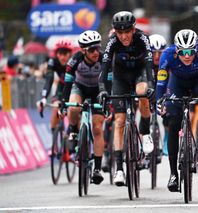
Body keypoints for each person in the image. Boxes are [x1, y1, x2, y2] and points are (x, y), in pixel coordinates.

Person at [156, 29, 198, 192]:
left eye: (191, 51)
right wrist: (160, 101)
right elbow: (161, 83)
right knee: (173, 121)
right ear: (176, 50)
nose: (187, 55)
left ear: (196, 49)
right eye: (183, 52)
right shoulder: (167, 55)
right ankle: (173, 174)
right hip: (176, 85)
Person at [98, 11, 154, 186]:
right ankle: (120, 169)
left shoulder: (142, 38)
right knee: (120, 120)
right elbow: (105, 69)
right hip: (120, 77)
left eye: (127, 32)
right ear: (115, 31)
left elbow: (149, 62)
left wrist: (151, 84)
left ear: (133, 29)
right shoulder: (113, 42)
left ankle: (145, 134)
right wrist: (102, 90)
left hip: (139, 74)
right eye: (119, 32)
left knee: (141, 92)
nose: (123, 36)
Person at [61, 30, 105, 185]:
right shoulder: (75, 60)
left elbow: (110, 82)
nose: (95, 52)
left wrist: (110, 105)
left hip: (98, 90)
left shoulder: (104, 58)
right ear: (83, 50)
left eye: (97, 48)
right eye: (91, 49)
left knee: (98, 128)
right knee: (73, 108)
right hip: (79, 87)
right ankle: (73, 130)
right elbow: (67, 84)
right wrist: (63, 103)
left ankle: (98, 168)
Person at [36, 38, 73, 133]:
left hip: (74, 88)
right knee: (56, 108)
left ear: (70, 53)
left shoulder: (75, 60)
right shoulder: (53, 61)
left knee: (74, 112)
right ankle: (54, 136)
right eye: (60, 53)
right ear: (56, 54)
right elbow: (49, 80)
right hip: (62, 87)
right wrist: (44, 97)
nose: (62, 57)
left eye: (65, 53)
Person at [148, 34, 169, 156]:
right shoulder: (145, 62)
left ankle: (167, 135)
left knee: (168, 111)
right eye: (153, 53)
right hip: (149, 90)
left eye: (160, 53)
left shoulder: (167, 63)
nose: (156, 56)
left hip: (163, 91)